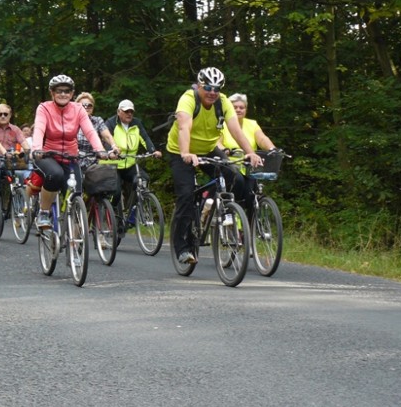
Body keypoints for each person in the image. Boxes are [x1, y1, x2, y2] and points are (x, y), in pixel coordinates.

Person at [166, 67, 262, 264]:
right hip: (180, 151)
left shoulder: (223, 101)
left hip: (208, 148)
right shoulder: (188, 99)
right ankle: (182, 247)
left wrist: (250, 152)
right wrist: (185, 153)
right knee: (186, 195)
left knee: (235, 177)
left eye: (217, 88)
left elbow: (235, 129)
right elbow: (184, 127)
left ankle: (223, 211)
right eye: (208, 87)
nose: (212, 92)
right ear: (199, 85)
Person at [31, 75, 107, 229]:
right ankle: (44, 213)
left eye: (67, 91)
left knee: (76, 194)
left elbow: (90, 131)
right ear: (52, 93)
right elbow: (39, 128)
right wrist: (37, 148)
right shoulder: (44, 108)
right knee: (55, 175)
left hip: (71, 157)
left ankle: (75, 238)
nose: (63, 94)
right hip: (48, 155)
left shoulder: (78, 109)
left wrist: (100, 150)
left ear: (72, 94)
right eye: (59, 90)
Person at [220, 93, 278, 215]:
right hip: (230, 165)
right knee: (238, 183)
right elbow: (216, 142)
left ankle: (250, 229)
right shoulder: (223, 125)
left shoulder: (251, 124)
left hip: (250, 166)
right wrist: (225, 150)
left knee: (252, 195)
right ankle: (232, 217)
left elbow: (262, 138)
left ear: (246, 109)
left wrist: (272, 148)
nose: (238, 109)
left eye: (242, 107)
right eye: (234, 107)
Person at [104, 99, 161, 208]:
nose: (129, 114)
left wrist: (153, 151)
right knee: (115, 193)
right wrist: (110, 152)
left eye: (131, 112)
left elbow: (145, 138)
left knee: (143, 180)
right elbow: (106, 140)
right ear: (118, 112)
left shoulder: (136, 123)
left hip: (130, 165)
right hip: (114, 165)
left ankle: (132, 211)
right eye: (126, 111)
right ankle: (111, 216)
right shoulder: (111, 123)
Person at [75, 92, 120, 170]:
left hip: (93, 163)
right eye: (83, 105)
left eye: (89, 105)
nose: (86, 107)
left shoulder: (97, 121)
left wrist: (114, 147)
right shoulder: (71, 121)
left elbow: (107, 136)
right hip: (74, 162)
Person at [0, 103, 31, 182]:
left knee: (21, 178)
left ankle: (20, 193)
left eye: (5, 114)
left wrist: (28, 154)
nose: (3, 116)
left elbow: (25, 145)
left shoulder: (16, 129)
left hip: (11, 161)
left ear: (10, 115)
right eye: (0, 114)